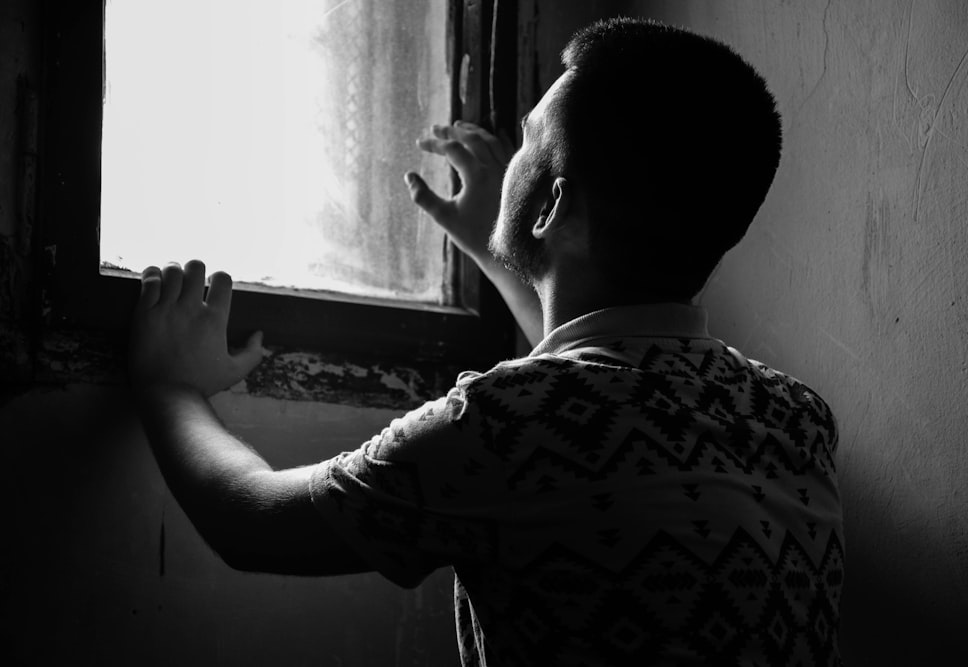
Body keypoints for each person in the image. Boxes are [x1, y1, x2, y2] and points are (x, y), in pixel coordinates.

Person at [129, 18, 844, 666]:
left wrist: (172, 385)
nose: (512, 157)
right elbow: (614, 408)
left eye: (528, 141)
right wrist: (511, 258)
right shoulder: (794, 416)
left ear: (554, 206)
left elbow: (252, 525)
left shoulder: (502, 424)